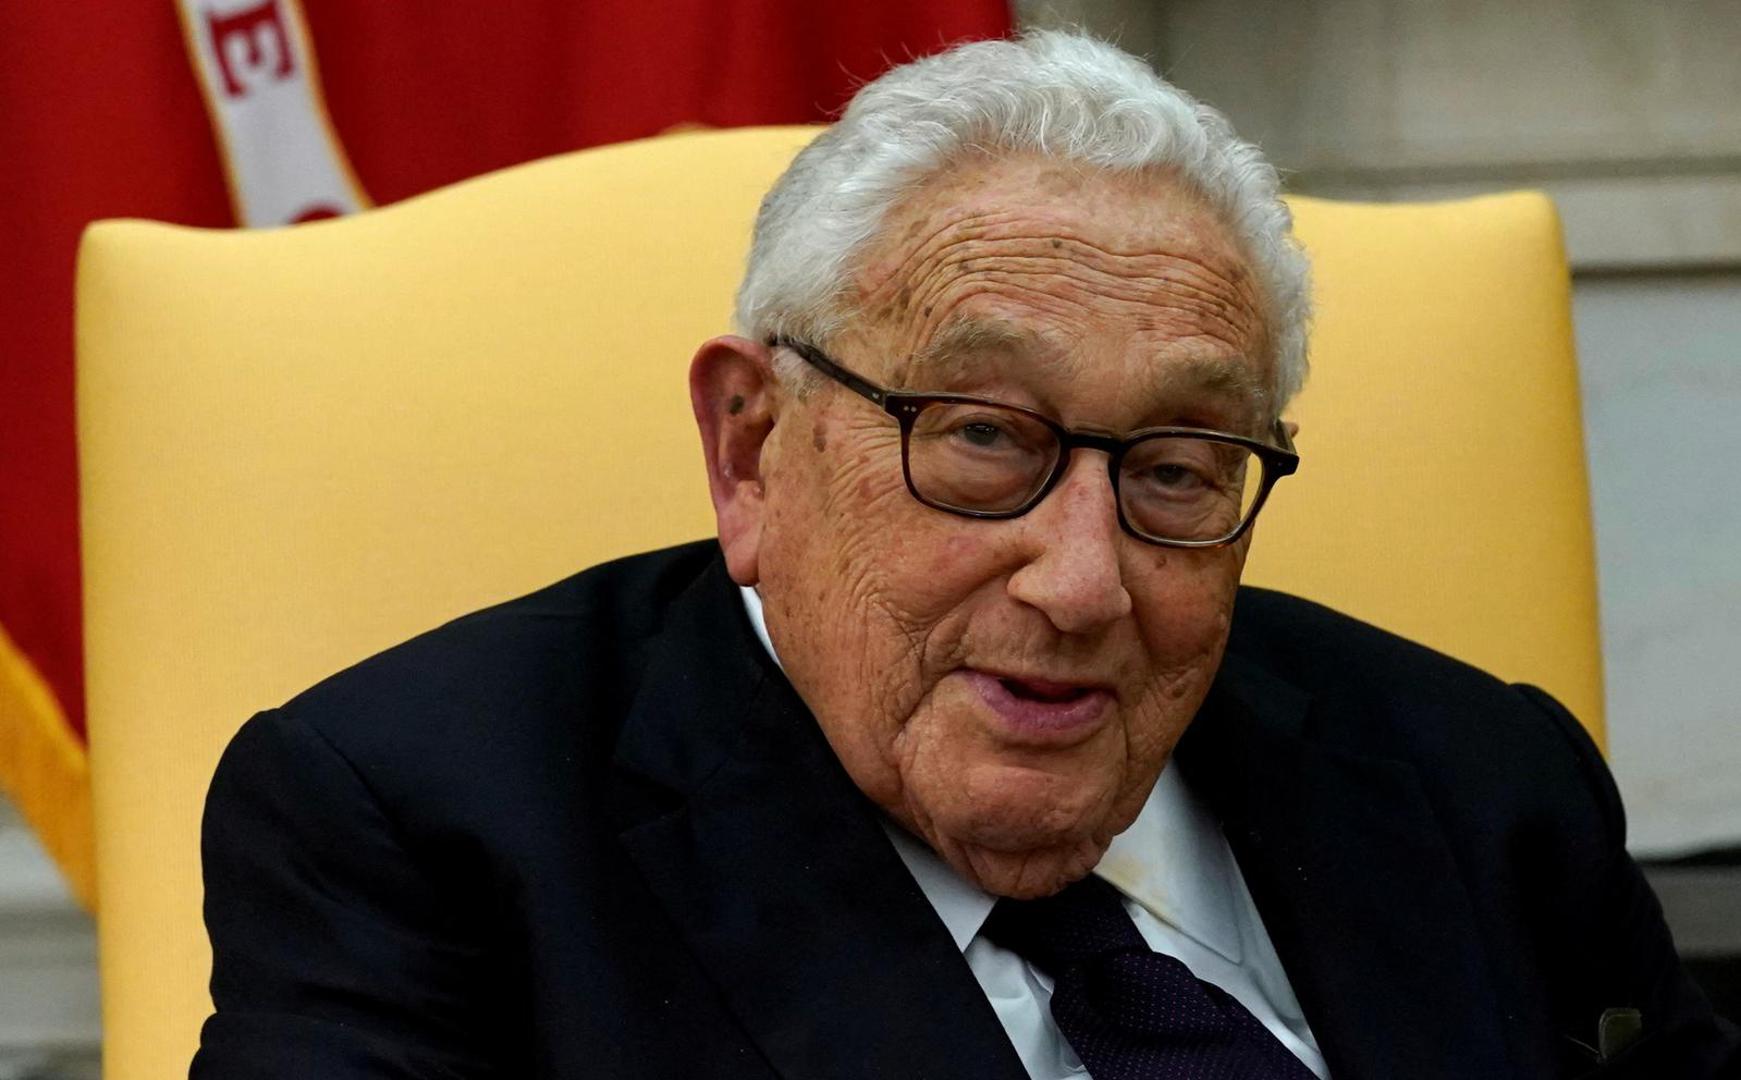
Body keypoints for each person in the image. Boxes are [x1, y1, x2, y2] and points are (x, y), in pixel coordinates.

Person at [190, 31, 1739, 1080]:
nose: (1082, 583)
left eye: (1178, 468)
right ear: (750, 448)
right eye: (983, 439)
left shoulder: (1481, 778)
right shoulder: (416, 828)